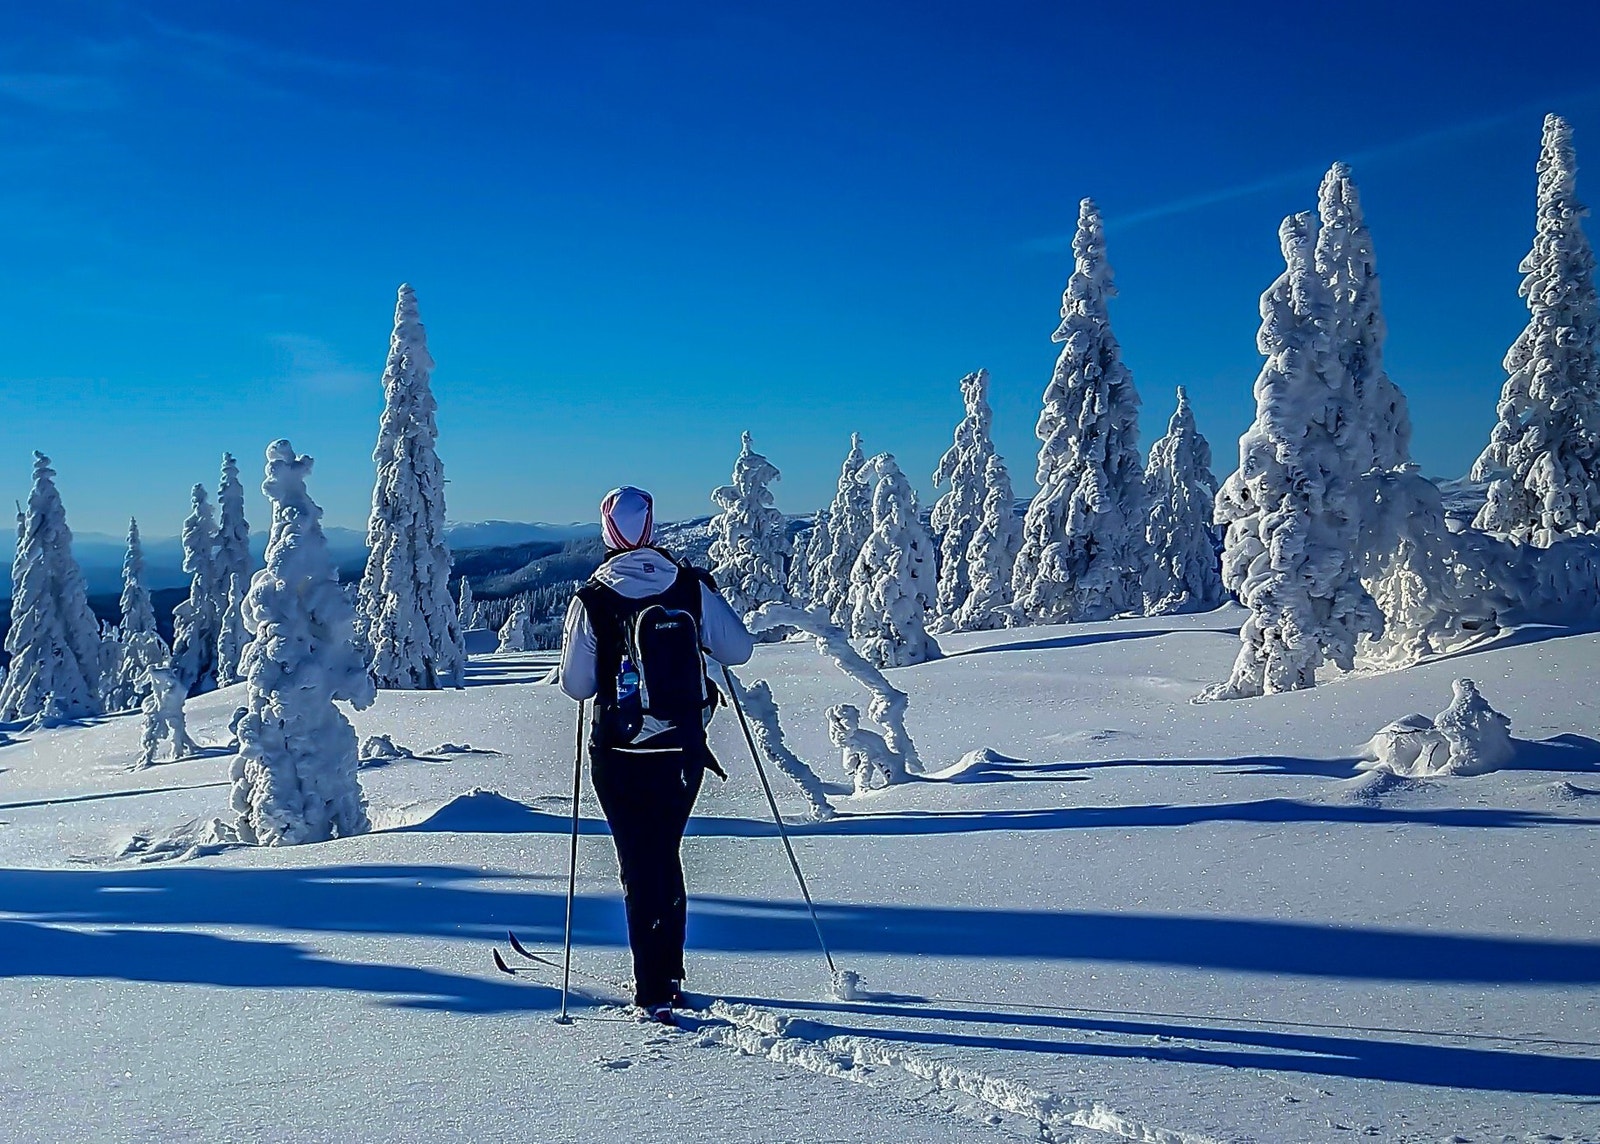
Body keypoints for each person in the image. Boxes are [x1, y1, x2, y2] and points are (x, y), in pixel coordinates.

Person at [559, 485, 754, 1020]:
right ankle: (667, 971)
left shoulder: (593, 597)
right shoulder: (688, 587)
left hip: (619, 752)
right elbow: (739, 649)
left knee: (639, 863)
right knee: (665, 856)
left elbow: (576, 686)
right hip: (681, 749)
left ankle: (653, 986)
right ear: (650, 528)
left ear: (607, 533)